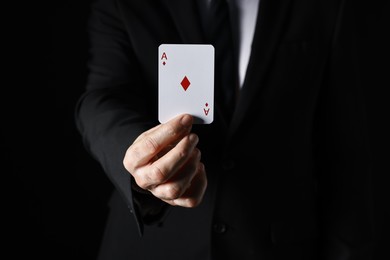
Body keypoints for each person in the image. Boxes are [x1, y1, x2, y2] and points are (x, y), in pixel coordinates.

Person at [74, 0, 374, 259]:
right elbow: (103, 95)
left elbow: (348, 152)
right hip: (153, 244)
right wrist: (137, 153)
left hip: (276, 246)